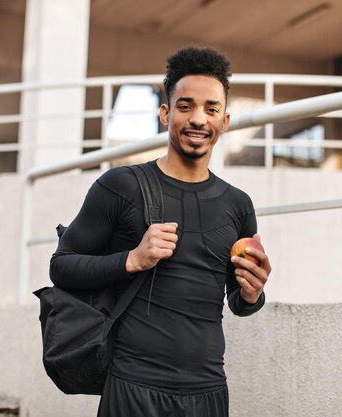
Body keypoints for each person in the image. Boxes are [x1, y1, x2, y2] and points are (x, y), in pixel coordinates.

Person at [50, 46, 272, 417]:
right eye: (185, 107)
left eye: (211, 109)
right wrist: (132, 260)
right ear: (166, 113)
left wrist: (253, 293)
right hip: (133, 388)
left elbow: (236, 301)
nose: (198, 119)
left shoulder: (238, 205)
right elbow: (61, 267)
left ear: (225, 120)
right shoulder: (121, 185)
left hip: (208, 392)